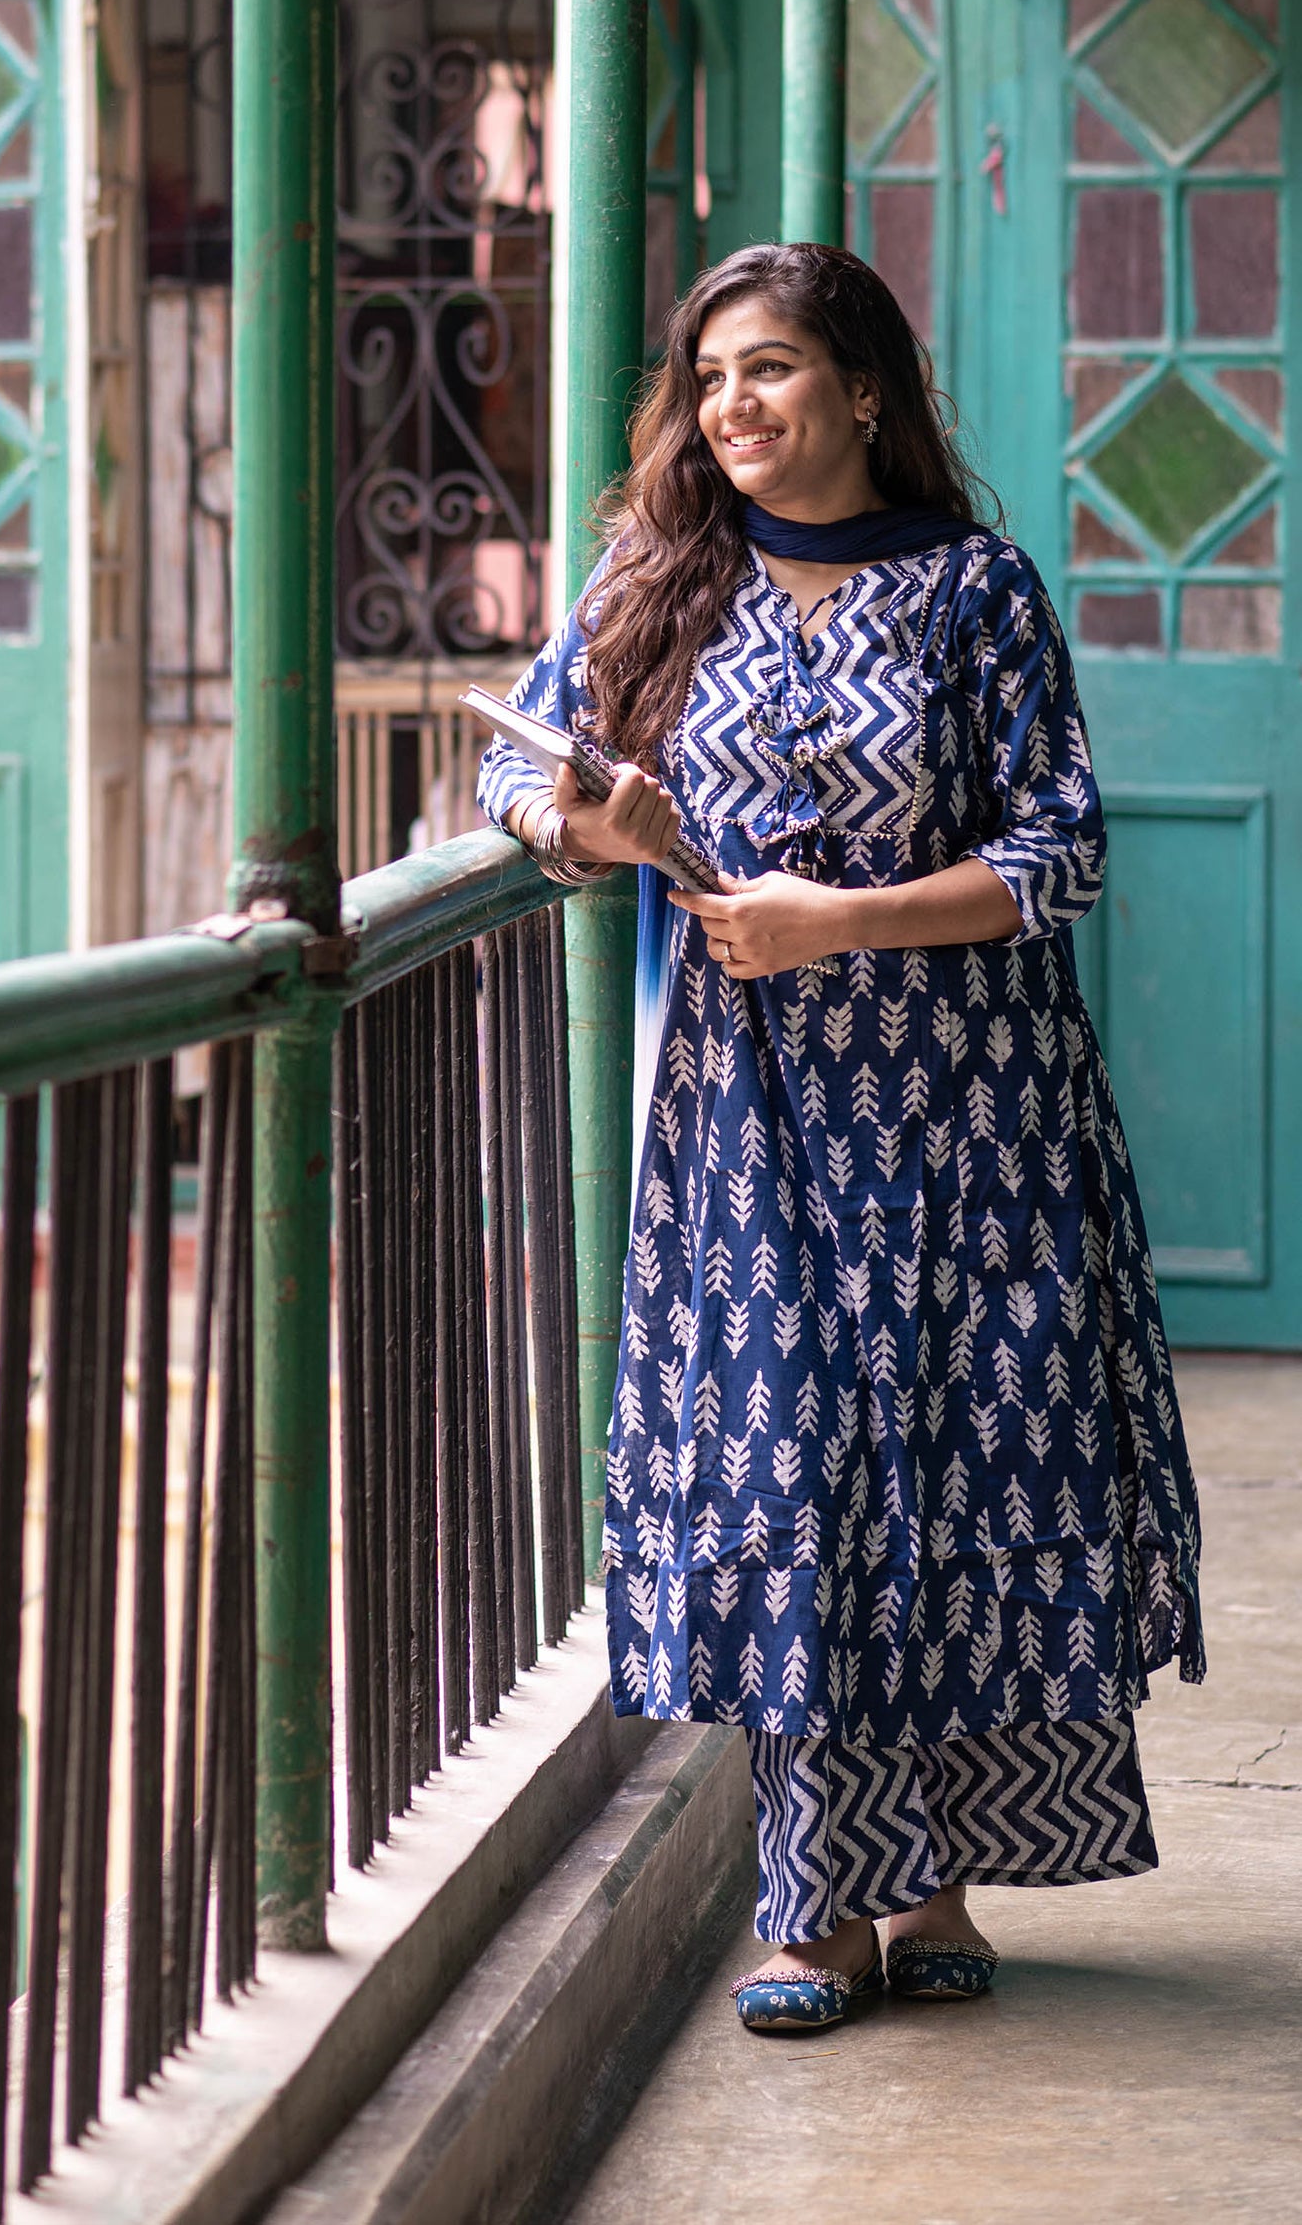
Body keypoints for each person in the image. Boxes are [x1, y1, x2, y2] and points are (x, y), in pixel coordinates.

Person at [478, 243, 1203, 2032]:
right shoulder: (659, 581)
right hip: (753, 1119)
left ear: (860, 390)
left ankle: (935, 1874)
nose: (732, 404)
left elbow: (1062, 848)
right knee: (795, 1475)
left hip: (973, 1110)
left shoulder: (972, 592)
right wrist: (608, 829)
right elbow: (513, 771)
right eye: (710, 374)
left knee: (953, 1465)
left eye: (771, 368)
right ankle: (814, 1908)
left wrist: (839, 919)